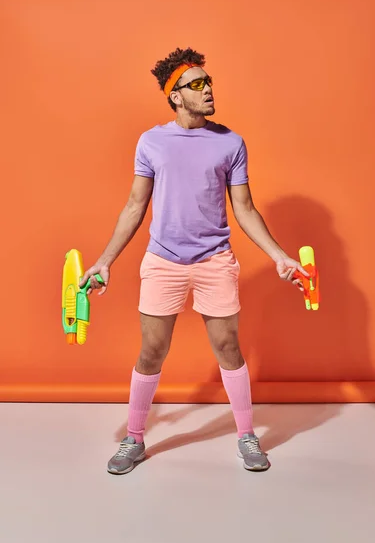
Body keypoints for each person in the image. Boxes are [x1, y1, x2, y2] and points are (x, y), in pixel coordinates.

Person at [80, 47, 308, 474]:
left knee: (227, 347)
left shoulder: (231, 142)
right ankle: (134, 439)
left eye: (209, 83)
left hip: (214, 260)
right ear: (175, 96)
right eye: (197, 85)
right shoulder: (151, 142)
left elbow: (244, 208)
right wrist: (105, 260)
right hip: (162, 261)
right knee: (151, 351)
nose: (208, 91)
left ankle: (246, 435)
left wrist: (280, 256)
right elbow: (134, 206)